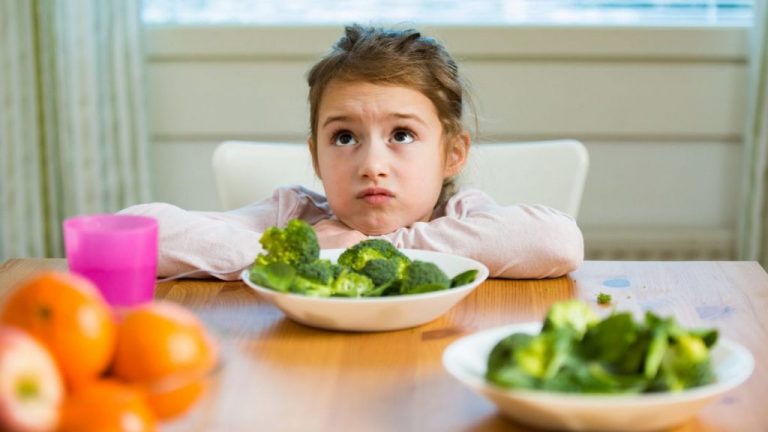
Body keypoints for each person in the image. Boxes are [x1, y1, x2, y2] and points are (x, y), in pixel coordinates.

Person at [120, 24, 583, 280]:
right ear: (316, 156)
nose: (372, 166)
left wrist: (375, 250)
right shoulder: (295, 217)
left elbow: (558, 242)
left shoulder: (461, 216)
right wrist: (295, 252)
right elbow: (133, 236)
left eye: (401, 135)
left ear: (453, 154)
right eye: (344, 137)